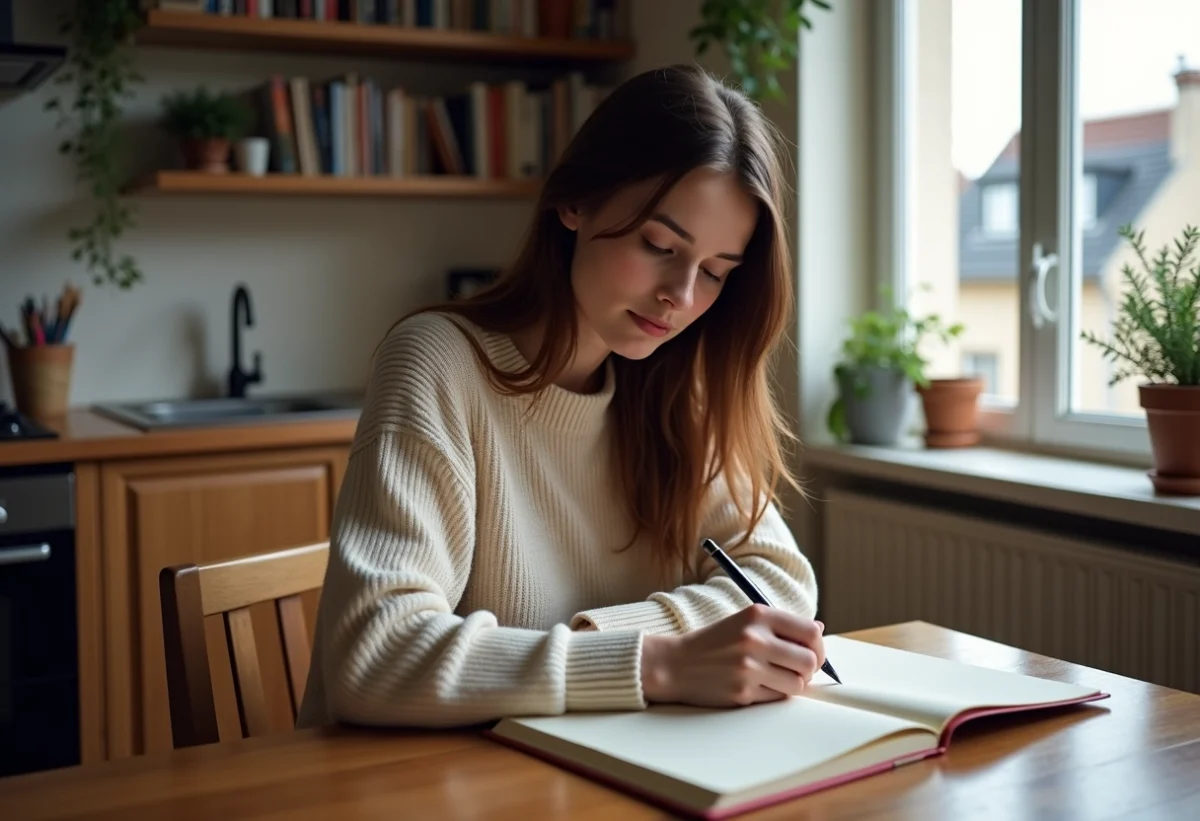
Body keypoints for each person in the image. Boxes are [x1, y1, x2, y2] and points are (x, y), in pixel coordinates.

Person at [296, 64, 826, 731]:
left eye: (717, 273)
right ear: (574, 202)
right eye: (658, 244)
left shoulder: (669, 384)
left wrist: (604, 639)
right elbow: (373, 655)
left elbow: (780, 584)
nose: (682, 296)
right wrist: (653, 663)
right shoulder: (440, 363)